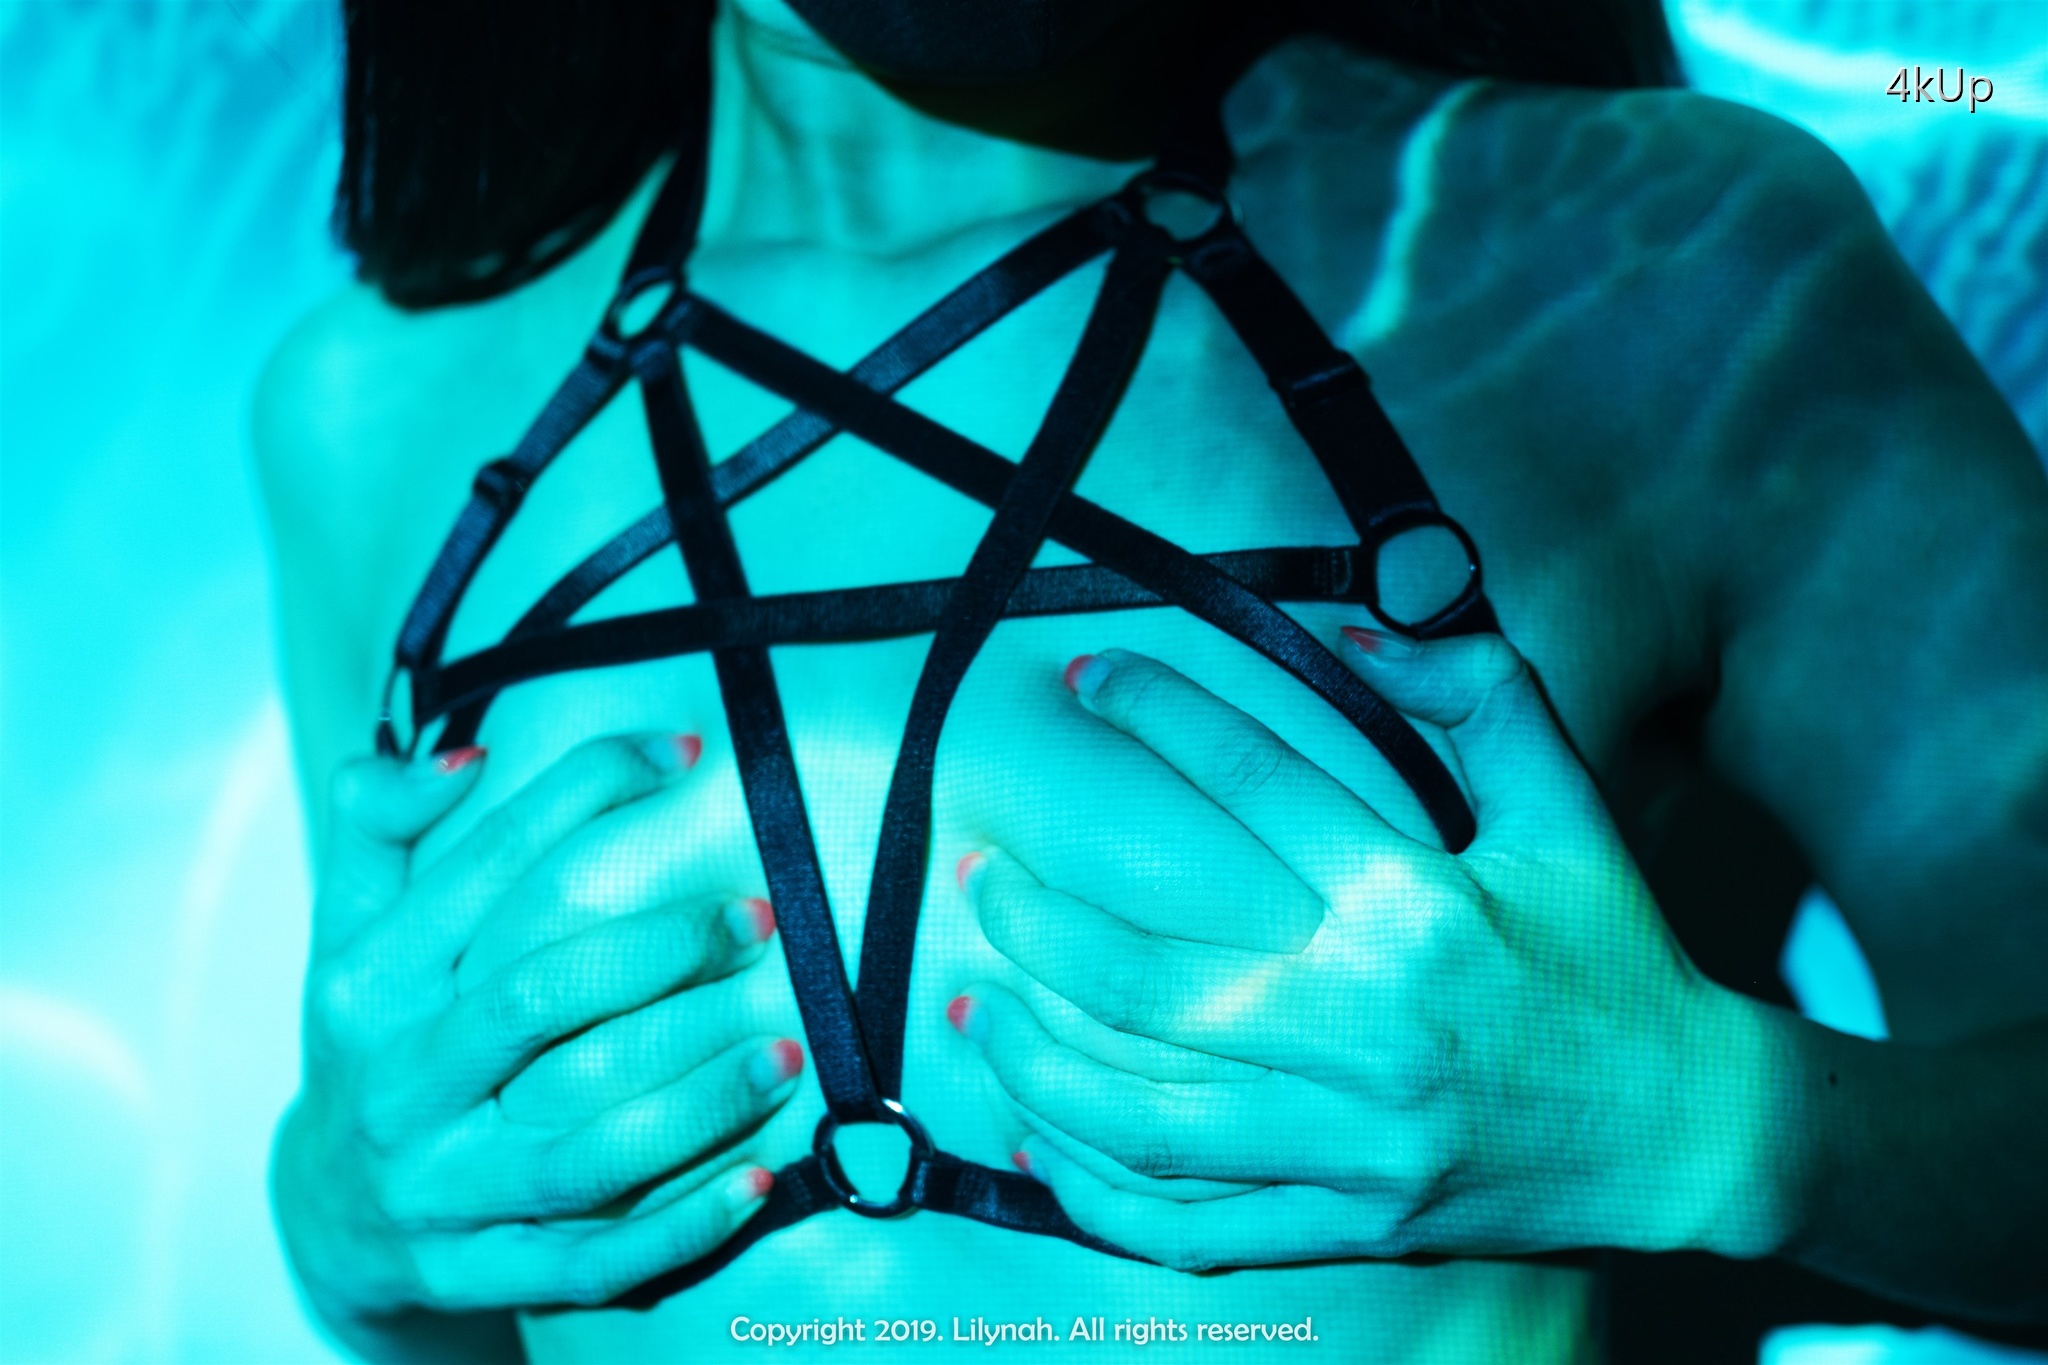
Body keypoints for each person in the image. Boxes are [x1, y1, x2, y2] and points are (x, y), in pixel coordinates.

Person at [257, 0, 2048, 1359]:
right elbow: (447, 1286)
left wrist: (1713, 1126)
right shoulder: (366, 411)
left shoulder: (1671, 266)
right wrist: (338, 1217)